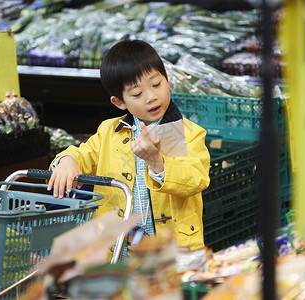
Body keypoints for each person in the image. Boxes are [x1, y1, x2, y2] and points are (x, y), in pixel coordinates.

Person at [47, 40, 210, 266]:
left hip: (172, 251)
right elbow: (83, 153)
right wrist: (67, 160)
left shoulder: (184, 133)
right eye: (137, 93)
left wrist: (157, 161)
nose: (151, 96)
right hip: (119, 250)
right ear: (119, 102)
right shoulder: (109, 132)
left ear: (168, 81)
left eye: (156, 84)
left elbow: (196, 179)